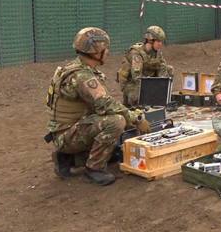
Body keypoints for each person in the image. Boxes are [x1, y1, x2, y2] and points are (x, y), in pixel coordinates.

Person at [45, 27, 148, 185]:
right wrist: (136, 118)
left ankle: (68, 159)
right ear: (95, 52)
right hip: (66, 135)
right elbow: (105, 103)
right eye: (105, 49)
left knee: (118, 127)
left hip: (68, 130)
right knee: (117, 121)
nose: (107, 52)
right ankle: (94, 168)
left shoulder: (78, 69)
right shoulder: (82, 76)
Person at [117, 26, 174, 106]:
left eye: (162, 41)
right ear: (150, 41)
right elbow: (137, 77)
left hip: (148, 80)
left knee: (169, 69)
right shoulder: (136, 53)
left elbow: (163, 69)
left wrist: (162, 89)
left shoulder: (157, 53)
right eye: (158, 41)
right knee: (138, 96)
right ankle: (131, 104)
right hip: (131, 82)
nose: (161, 44)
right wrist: (152, 90)